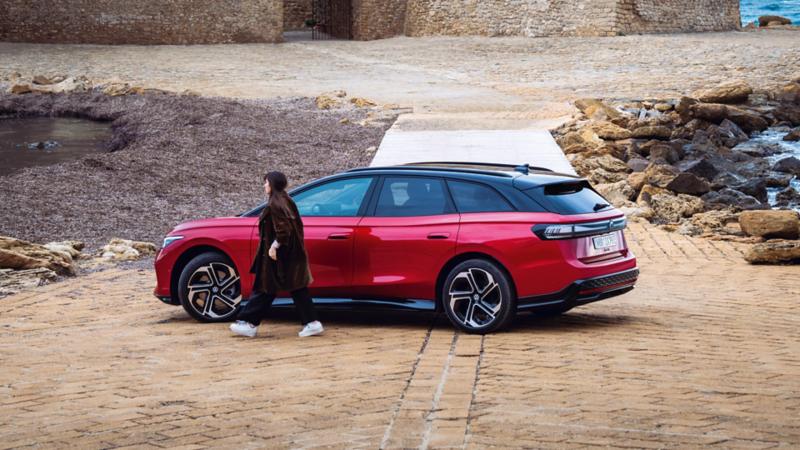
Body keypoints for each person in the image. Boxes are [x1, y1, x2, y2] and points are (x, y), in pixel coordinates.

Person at [230, 171, 323, 338]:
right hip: (291, 255)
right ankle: (313, 323)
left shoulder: (276, 203)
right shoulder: (285, 199)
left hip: (280, 256)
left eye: (266, 182)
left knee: (265, 286)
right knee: (294, 287)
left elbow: (284, 231)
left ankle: (250, 324)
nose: (264, 185)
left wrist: (273, 247)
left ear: (272, 184)